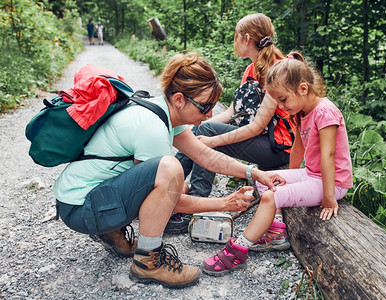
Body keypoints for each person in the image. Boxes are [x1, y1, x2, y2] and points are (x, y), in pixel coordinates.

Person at [53, 52, 285, 288]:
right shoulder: (152, 127)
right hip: (81, 210)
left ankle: (111, 229)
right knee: (170, 168)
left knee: (176, 181)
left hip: (82, 199)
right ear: (179, 99)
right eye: (205, 106)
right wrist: (224, 204)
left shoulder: (159, 111)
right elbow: (169, 203)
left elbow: (205, 155)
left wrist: (252, 172)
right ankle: (148, 261)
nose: (209, 115)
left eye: (213, 106)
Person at [202, 52, 353, 276]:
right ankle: (276, 229)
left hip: (333, 183)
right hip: (312, 175)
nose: (281, 105)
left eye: (283, 99)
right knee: (266, 180)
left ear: (303, 88)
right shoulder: (302, 111)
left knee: (272, 196)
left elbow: (328, 156)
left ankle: (239, 249)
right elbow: (298, 148)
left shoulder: (326, 112)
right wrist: (290, 179)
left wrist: (329, 199)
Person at [170, 13, 294, 235]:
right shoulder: (251, 69)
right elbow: (232, 112)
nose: (234, 41)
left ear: (246, 38)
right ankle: (173, 187)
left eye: (236, 36)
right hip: (259, 138)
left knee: (206, 132)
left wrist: (211, 139)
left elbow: (257, 126)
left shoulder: (278, 70)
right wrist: (196, 125)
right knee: (200, 128)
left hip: (277, 147)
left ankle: (194, 203)